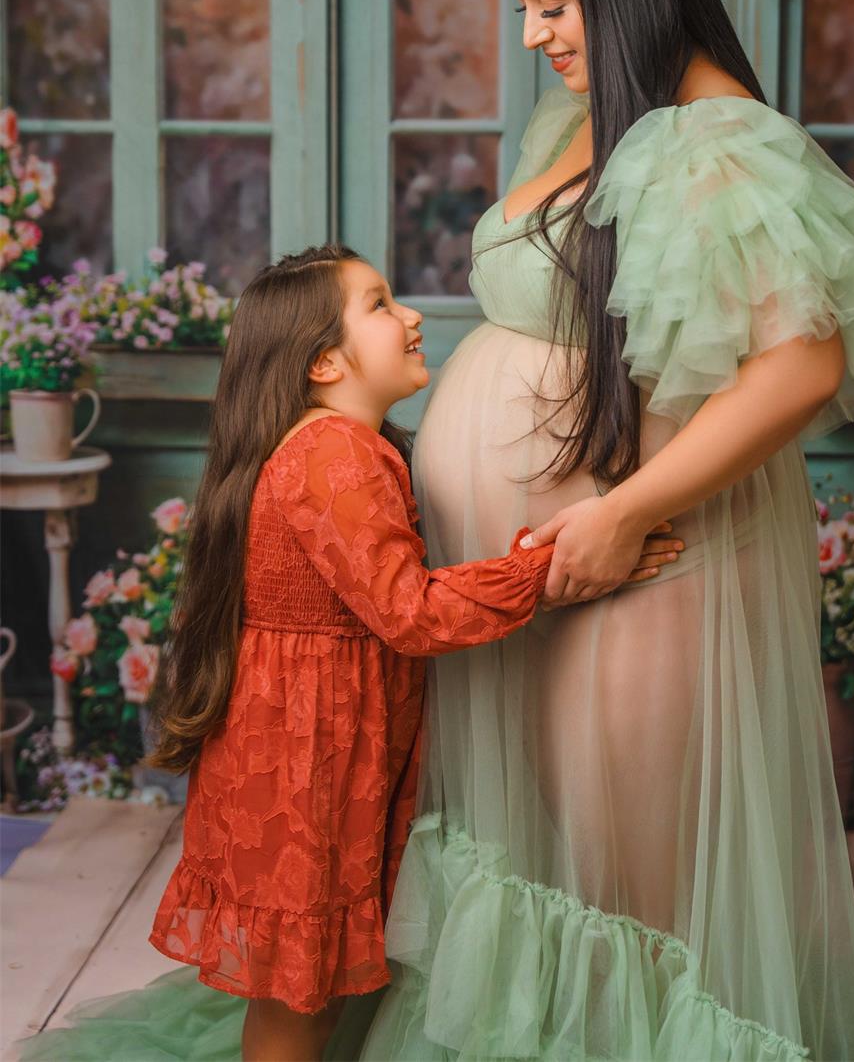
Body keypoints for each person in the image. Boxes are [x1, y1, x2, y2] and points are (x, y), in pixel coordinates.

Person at [354, 0, 854, 1062]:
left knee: (626, 881)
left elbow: (802, 367)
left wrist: (621, 514)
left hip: (652, 563)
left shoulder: (719, 143)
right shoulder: (590, 118)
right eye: (524, 6)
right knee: (546, 862)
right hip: (536, 576)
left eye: (552, 7)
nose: (532, 36)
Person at [12, 241, 679, 1062]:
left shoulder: (321, 445)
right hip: (306, 764)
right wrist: (554, 564)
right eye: (380, 304)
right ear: (325, 360)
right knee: (300, 1004)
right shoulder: (335, 453)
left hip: (299, 749)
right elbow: (410, 612)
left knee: (305, 1000)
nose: (410, 318)